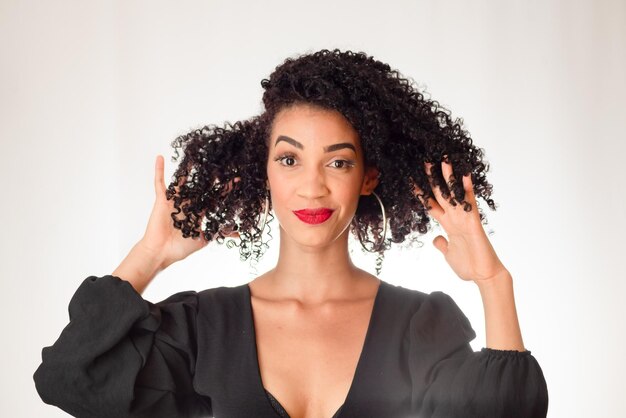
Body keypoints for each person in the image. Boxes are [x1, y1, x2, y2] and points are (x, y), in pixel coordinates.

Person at [33, 48, 549, 418]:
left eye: (338, 162)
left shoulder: (419, 325)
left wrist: (492, 281)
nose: (312, 187)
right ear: (266, 172)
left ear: (369, 175)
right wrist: (149, 255)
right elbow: (69, 376)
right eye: (289, 159)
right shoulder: (201, 326)